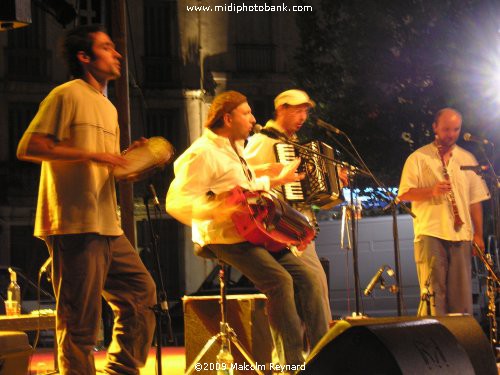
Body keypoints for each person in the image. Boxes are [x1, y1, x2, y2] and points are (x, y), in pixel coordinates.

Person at [17, 25, 156, 374]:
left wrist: (128, 159)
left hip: (107, 222)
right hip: (74, 223)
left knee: (141, 294)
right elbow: (30, 146)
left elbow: (102, 164)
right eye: (107, 47)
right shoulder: (66, 94)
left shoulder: (107, 107)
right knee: (79, 322)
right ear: (84, 57)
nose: (117, 54)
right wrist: (95, 156)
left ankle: (121, 370)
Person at [165, 91, 328, 368]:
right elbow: (175, 201)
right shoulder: (202, 153)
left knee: (310, 278)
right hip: (222, 236)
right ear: (228, 118)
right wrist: (214, 211)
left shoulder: (234, 148)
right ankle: (291, 366)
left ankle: (324, 359)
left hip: (250, 231)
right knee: (280, 281)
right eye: (247, 113)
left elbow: (241, 189)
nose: (254, 119)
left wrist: (272, 177)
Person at [244, 89, 335, 323]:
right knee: (314, 287)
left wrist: (327, 183)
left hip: (299, 229)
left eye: (305, 111)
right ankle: (321, 350)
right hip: (282, 230)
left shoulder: (291, 144)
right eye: (297, 110)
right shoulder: (261, 141)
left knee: (309, 292)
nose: (303, 117)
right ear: (281, 109)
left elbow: (304, 191)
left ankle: (303, 353)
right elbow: (243, 178)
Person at [398, 108, 490, 316]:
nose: (451, 134)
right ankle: (434, 346)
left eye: (456, 129)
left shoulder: (467, 158)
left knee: (461, 300)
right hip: (431, 233)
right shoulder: (418, 158)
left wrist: (478, 234)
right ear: (435, 127)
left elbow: (475, 200)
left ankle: (459, 345)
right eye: (446, 129)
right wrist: (432, 190)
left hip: (461, 235)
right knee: (433, 297)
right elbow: (404, 194)